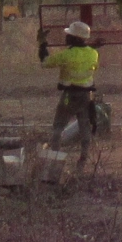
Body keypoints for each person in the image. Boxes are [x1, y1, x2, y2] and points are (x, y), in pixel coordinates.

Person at [39, 20, 99, 155]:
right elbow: (86, 55)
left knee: (58, 128)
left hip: (69, 96)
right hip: (85, 97)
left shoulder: (66, 55)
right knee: (85, 128)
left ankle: (55, 156)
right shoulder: (94, 54)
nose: (66, 37)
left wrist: (42, 45)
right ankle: (84, 157)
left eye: (69, 35)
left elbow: (45, 63)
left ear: (75, 38)